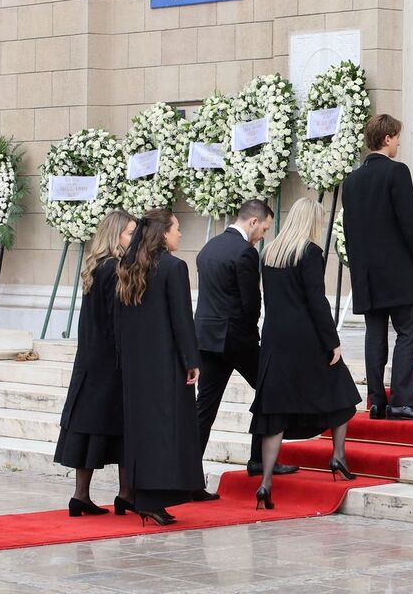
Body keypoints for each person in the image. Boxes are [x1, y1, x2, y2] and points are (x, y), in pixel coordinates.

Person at [250, 198, 362, 509]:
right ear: (312, 221)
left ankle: (266, 481)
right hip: (305, 338)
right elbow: (316, 301)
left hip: (274, 337)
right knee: (342, 390)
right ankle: (338, 456)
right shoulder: (310, 253)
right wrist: (332, 340)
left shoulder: (271, 252)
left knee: (275, 411)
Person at [194, 200, 296, 500]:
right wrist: (255, 337)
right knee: (271, 389)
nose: (263, 234)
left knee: (204, 410)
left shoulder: (208, 247)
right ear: (253, 221)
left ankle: (189, 477)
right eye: (264, 228)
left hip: (207, 339)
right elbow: (251, 303)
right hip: (237, 339)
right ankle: (261, 459)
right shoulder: (244, 252)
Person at [342, 114, 413, 421]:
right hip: (396, 268)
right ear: (386, 139)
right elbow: (409, 221)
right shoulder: (397, 172)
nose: (399, 142)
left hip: (367, 271)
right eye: (397, 137)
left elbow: (349, 228)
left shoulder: (352, 180)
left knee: (375, 333)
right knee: (408, 331)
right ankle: (402, 400)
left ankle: (375, 400)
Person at [115, 209, 204, 525]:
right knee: (166, 431)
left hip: (136, 365)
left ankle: (143, 497)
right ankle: (154, 499)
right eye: (177, 229)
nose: (180, 234)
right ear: (163, 234)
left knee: (142, 430)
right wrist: (192, 361)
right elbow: (182, 320)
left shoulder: (128, 265)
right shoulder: (173, 267)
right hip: (165, 364)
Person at [55, 210, 136, 517]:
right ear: (116, 235)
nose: (134, 238)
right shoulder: (116, 268)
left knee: (92, 427)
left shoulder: (96, 266)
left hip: (91, 357)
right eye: (129, 233)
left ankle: (81, 495)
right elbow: (119, 319)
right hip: (111, 360)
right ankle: (125, 493)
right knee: (123, 425)